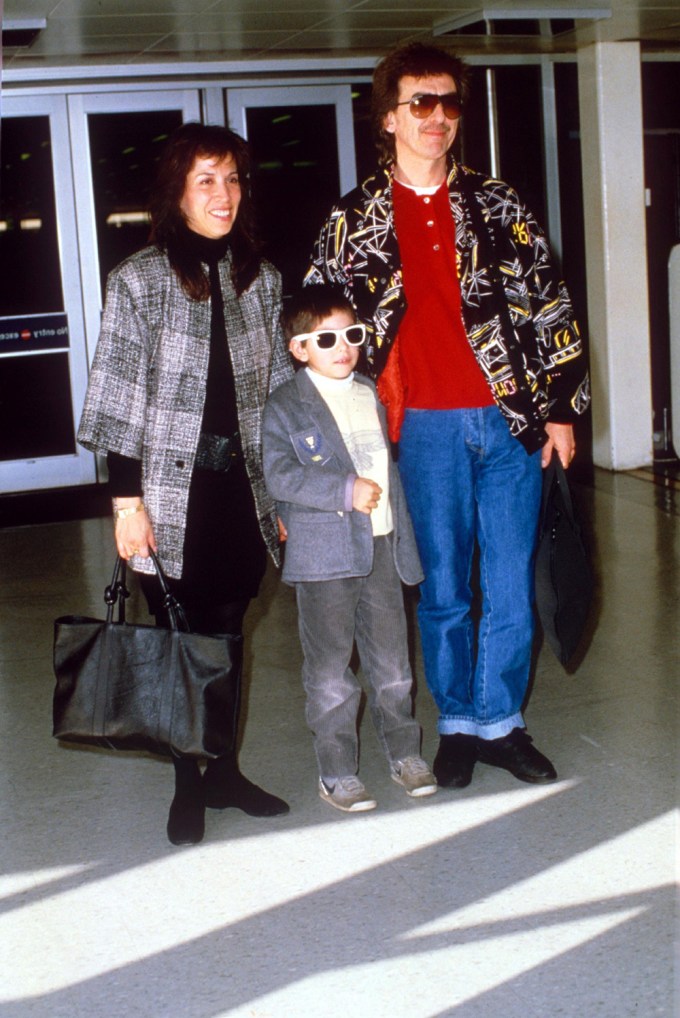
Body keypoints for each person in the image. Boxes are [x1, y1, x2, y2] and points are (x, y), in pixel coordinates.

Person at [304, 43, 590, 790]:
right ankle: (458, 721)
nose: (437, 118)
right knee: (443, 592)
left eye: (449, 103)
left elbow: (552, 305)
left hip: (508, 424)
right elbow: (309, 328)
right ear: (389, 116)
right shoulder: (355, 217)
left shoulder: (499, 205)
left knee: (508, 576)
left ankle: (501, 722)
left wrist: (561, 408)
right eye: (420, 103)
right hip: (418, 429)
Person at [77, 122, 292, 846]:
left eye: (232, 179)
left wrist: (288, 494)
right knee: (178, 643)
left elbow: (285, 394)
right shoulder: (138, 280)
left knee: (228, 638)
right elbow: (116, 401)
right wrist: (126, 504)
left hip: (243, 495)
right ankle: (185, 784)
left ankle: (224, 770)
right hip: (171, 497)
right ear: (176, 192)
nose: (223, 194)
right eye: (206, 180)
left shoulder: (261, 278)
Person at [262, 285, 437, 812]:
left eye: (352, 335)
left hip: (381, 545)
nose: (343, 347)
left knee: (393, 665)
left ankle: (404, 753)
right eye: (327, 339)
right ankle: (336, 770)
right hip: (325, 558)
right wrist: (344, 489)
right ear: (299, 348)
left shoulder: (370, 392)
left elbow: (393, 469)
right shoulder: (285, 405)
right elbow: (279, 474)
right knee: (330, 670)